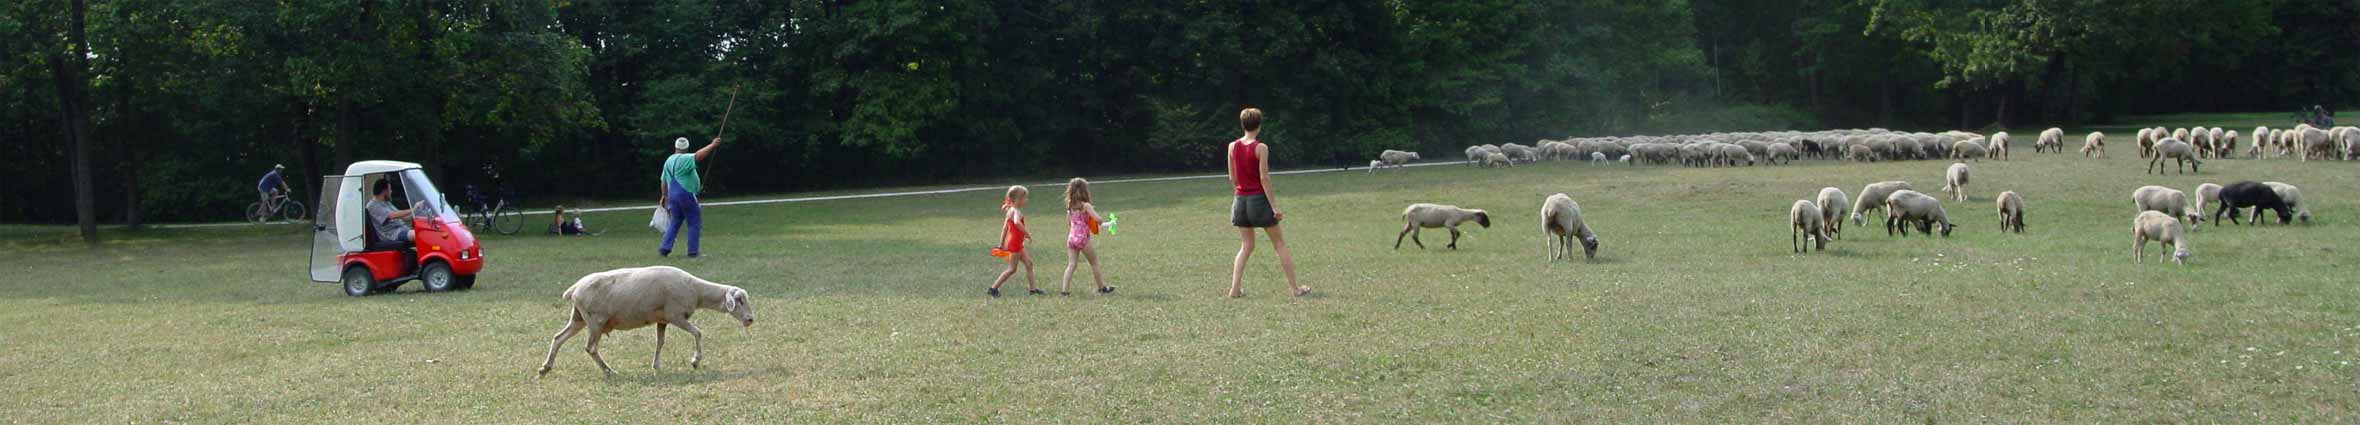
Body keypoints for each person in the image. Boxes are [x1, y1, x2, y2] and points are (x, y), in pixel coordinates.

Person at [1225, 108, 1310, 298]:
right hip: (1258, 200)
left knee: (1246, 246)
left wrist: (1240, 194)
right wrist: (1274, 207)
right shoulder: (1261, 148)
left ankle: (1234, 289)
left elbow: (1232, 177)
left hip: (1240, 201)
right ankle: (1295, 289)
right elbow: (1264, 178)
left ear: (1242, 124)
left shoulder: (1232, 146)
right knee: (1279, 244)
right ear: (1259, 125)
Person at [658, 136, 720, 257]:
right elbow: (698, 156)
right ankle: (693, 251)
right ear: (686, 148)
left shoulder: (669, 160)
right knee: (694, 222)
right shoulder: (685, 158)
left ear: (675, 147)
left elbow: (663, 181)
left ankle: (664, 248)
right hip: (685, 194)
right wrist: (713, 145)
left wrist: (664, 196)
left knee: (675, 222)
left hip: (672, 195)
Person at [1059, 178, 1113, 296]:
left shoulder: (1070, 206)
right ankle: (1101, 288)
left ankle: (1064, 291)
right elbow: (1098, 220)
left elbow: (1069, 223)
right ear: (1085, 191)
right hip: (1083, 239)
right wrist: (1103, 222)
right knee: (1094, 263)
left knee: (1071, 264)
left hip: (1071, 238)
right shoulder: (1086, 206)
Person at [988, 185, 1043, 297]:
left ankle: (1033, 289)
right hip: (1015, 244)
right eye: (1024, 198)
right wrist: (1027, 234)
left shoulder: (1010, 211)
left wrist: (1001, 243)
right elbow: (1017, 223)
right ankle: (993, 288)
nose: (1026, 200)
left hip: (1016, 243)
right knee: (1012, 269)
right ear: (1017, 200)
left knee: (1029, 264)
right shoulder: (1016, 212)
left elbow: (1005, 228)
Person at [366, 178, 415, 246]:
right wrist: (413, 209)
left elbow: (405, 218)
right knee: (419, 235)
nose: (391, 191)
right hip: (392, 234)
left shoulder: (386, 202)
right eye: (390, 189)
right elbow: (392, 215)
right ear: (384, 191)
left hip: (402, 229)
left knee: (425, 232)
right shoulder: (373, 205)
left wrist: (416, 212)